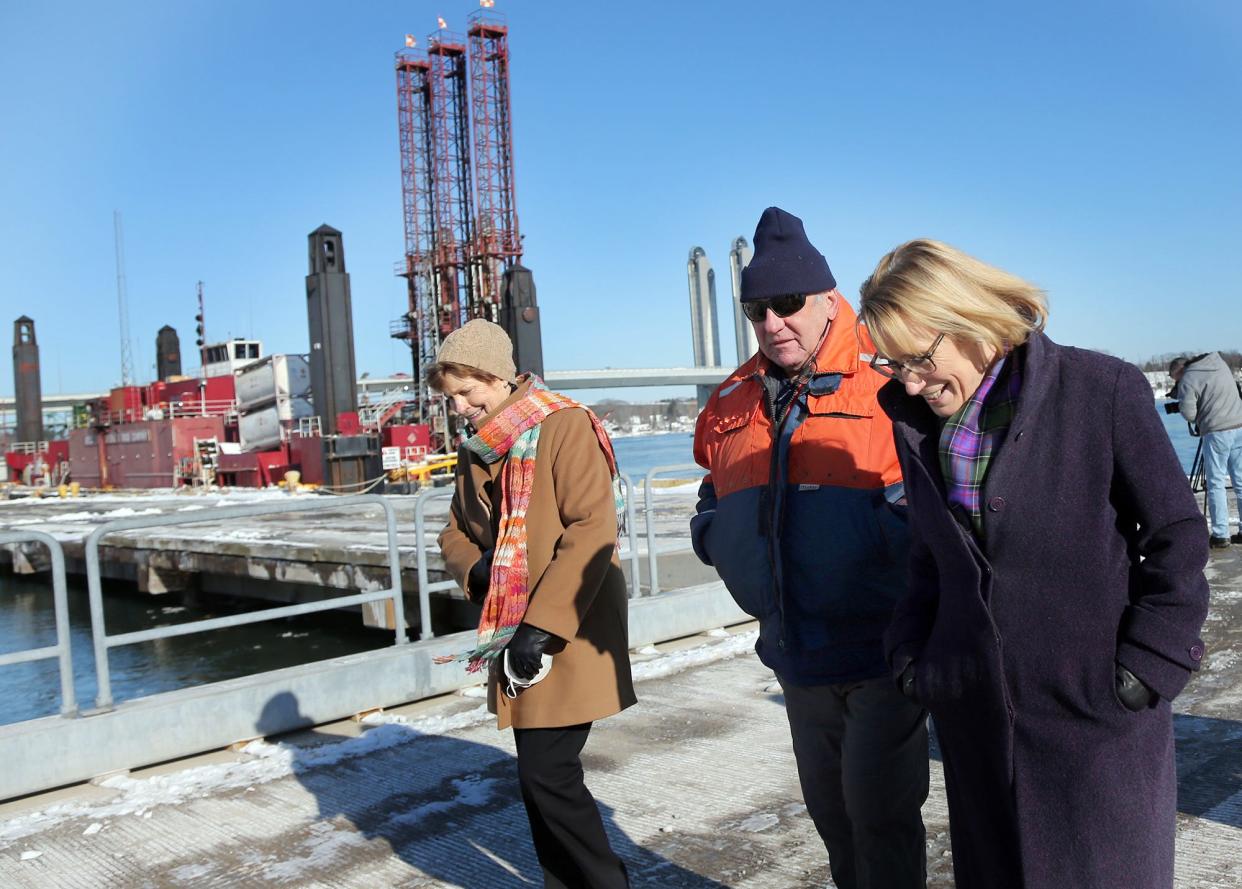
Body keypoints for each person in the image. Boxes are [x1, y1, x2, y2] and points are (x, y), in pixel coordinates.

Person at [858, 239, 1210, 889]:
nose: (907, 380)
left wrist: (1145, 666)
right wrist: (914, 656)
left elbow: (1176, 535)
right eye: (891, 362)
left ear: (966, 320)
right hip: (979, 730)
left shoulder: (1100, 390)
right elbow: (930, 560)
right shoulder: (917, 425)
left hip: (1096, 728)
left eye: (918, 358)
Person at [691, 207, 928, 889]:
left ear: (828, 299)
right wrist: (713, 535)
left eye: (789, 303)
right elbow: (714, 483)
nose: (773, 322)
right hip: (795, 650)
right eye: (757, 309)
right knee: (833, 817)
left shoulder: (888, 381)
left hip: (883, 649)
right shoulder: (733, 397)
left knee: (881, 815)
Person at [432, 319, 636, 889]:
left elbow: (591, 529)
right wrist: (476, 571)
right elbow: (454, 532)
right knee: (539, 777)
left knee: (549, 775)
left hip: (567, 623)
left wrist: (541, 629)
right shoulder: (479, 447)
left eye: (467, 393)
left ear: (496, 377)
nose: (460, 407)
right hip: (512, 625)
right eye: (452, 397)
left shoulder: (565, 425)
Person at [1168, 352, 1242, 547]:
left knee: (1215, 483)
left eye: (1175, 379)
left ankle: (1220, 535)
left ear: (1179, 371)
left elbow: (1189, 413)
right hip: (1239, 425)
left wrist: (1189, 405)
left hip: (1217, 432)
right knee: (1240, 481)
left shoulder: (1188, 378)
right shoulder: (1219, 364)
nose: (1177, 382)